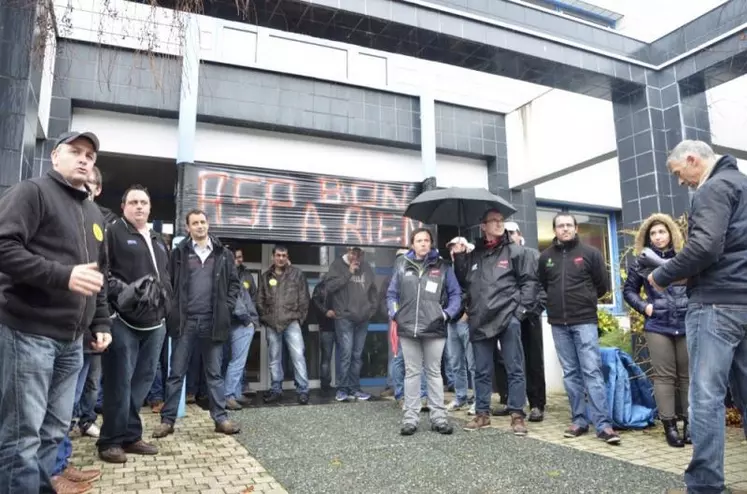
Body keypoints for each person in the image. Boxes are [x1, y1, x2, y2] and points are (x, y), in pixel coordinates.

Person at [0, 131, 111, 493]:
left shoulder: (93, 212)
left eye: (90, 156)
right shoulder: (31, 192)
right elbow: (4, 248)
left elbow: (99, 276)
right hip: (28, 333)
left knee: (53, 432)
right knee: (22, 435)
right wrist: (62, 276)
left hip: (72, 342)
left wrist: (100, 321)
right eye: (76, 152)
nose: (84, 159)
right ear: (55, 157)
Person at [649, 140, 747, 493]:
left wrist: (661, 275)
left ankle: (705, 486)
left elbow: (704, 247)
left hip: (716, 305)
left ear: (692, 159)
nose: (682, 182)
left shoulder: (713, 187)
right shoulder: (743, 184)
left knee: (705, 397)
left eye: (679, 173)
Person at [97, 185, 173, 463]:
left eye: (144, 202)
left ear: (150, 208)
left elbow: (165, 277)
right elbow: (103, 274)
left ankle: (130, 436)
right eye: (133, 202)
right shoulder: (114, 232)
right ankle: (109, 441)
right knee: (119, 382)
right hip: (123, 321)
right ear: (123, 207)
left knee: (141, 383)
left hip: (155, 324)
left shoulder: (157, 239)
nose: (139, 206)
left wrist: (168, 305)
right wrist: (126, 293)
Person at [153, 209, 241, 438]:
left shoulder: (223, 254)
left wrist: (227, 307)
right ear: (188, 227)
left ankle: (220, 419)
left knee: (214, 374)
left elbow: (234, 284)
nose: (200, 226)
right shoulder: (179, 253)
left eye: (203, 222)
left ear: (208, 224)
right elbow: (168, 284)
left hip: (212, 322)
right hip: (185, 322)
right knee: (176, 373)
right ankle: (168, 420)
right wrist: (171, 311)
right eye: (195, 223)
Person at [452, 209, 538, 436]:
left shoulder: (515, 252)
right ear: (483, 225)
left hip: (508, 318)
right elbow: (463, 282)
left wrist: (518, 314)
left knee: (515, 368)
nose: (500, 224)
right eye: (494, 221)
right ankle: (482, 414)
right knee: (481, 370)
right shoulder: (474, 255)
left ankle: (517, 415)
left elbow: (529, 283)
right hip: (479, 320)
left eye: (502, 220)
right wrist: (459, 257)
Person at [538, 212, 620, 444]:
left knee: (592, 371)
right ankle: (579, 420)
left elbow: (602, 285)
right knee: (571, 374)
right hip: (558, 323)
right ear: (554, 230)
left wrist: (584, 299)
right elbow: (543, 284)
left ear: (576, 229)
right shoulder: (546, 257)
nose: (564, 229)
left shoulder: (590, 254)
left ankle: (604, 426)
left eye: (568, 225)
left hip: (584, 321)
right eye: (560, 226)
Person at [386, 228, 462, 435]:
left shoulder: (443, 266)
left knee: (434, 372)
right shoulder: (402, 265)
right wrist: (395, 314)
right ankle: (410, 418)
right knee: (412, 373)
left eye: (426, 240)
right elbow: (392, 294)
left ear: (431, 243)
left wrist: (446, 314)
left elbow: (456, 294)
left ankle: (439, 418)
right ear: (412, 244)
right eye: (419, 240)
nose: (423, 243)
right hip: (408, 328)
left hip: (435, 327)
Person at [623, 213, 689, 448]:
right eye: (653, 233)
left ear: (671, 233)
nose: (658, 236)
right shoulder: (641, 262)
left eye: (662, 231)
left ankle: (689, 426)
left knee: (687, 377)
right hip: (658, 324)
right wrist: (645, 307)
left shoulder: (685, 258)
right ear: (647, 237)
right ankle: (669, 427)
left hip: (686, 322)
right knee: (664, 377)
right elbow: (629, 291)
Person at [493, 222, 547, 422]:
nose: (509, 236)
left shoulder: (532, 254)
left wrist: (536, 307)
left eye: (512, 233)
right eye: (505, 233)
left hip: (529, 315)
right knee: (510, 360)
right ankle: (511, 401)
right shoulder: (501, 257)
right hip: (507, 316)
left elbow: (543, 285)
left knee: (533, 360)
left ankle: (536, 404)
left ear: (519, 234)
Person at [257, 245, 311, 404]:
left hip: (292, 321)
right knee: (274, 358)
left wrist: (299, 318)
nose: (281, 258)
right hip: (272, 323)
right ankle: (276, 390)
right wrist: (265, 317)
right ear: (273, 257)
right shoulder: (265, 276)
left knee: (298, 356)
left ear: (287, 257)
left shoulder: (297, 274)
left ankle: (303, 390)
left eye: (284, 255)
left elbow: (304, 298)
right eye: (278, 255)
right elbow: (259, 300)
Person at [324, 247, 379, 402]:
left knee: (357, 355)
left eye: (360, 253)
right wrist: (349, 272)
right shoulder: (337, 265)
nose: (357, 256)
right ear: (348, 251)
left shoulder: (366, 267)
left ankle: (354, 388)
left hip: (362, 318)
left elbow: (373, 291)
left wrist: (371, 310)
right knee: (346, 354)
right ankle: (342, 389)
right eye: (354, 253)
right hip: (344, 318)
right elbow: (329, 287)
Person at [223, 249, 259, 409]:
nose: (239, 260)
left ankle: (235, 393)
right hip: (239, 323)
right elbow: (236, 301)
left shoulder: (232, 274)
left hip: (235, 323)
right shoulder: (230, 275)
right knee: (237, 362)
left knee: (235, 361)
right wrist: (248, 320)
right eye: (236, 258)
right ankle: (228, 395)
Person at [443, 237, 476, 413]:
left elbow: (476, 290)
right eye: (450, 247)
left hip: (466, 320)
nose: (452, 250)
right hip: (451, 321)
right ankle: (460, 397)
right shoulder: (449, 268)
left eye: (454, 245)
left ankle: (478, 400)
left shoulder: (472, 264)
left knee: (473, 364)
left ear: (463, 246)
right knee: (455, 363)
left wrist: (467, 313)